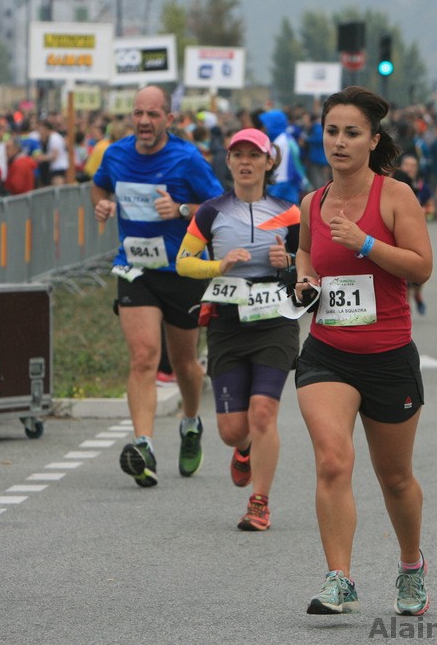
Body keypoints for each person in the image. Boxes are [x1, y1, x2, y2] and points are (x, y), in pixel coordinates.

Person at [293, 86, 433, 616]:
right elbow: (305, 251)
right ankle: (339, 578)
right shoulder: (312, 203)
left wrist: (366, 244)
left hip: (388, 356)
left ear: (373, 141)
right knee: (333, 460)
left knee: (395, 479)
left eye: (352, 133)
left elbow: (422, 267)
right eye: (332, 131)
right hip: (327, 352)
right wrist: (305, 279)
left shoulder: (395, 197)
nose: (340, 142)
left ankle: (411, 565)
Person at [92, 85, 224, 487]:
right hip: (135, 269)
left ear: (169, 118)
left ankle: (190, 423)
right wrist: (103, 204)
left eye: (153, 114)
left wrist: (182, 209)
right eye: (138, 113)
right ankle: (144, 446)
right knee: (144, 356)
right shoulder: (115, 155)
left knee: (185, 363)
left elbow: (220, 207)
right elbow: (99, 185)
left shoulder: (187, 158)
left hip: (181, 270)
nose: (144, 121)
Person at [175, 128, 300, 531]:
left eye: (254, 155)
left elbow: (313, 263)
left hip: (275, 320)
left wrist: (289, 261)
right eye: (238, 155)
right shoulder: (211, 212)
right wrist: (219, 265)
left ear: (269, 162)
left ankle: (259, 503)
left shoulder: (290, 212)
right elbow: (183, 262)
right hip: (227, 322)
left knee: (263, 412)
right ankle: (242, 448)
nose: (246, 162)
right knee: (232, 430)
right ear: (228, 162)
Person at [392, 154, 433, 315]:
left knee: (418, 274)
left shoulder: (421, 186)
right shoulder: (395, 182)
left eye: (413, 165)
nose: (410, 168)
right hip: (398, 234)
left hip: (417, 232)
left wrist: (425, 211)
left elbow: (431, 206)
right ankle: (406, 309)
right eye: (407, 165)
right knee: (404, 276)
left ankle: (418, 295)